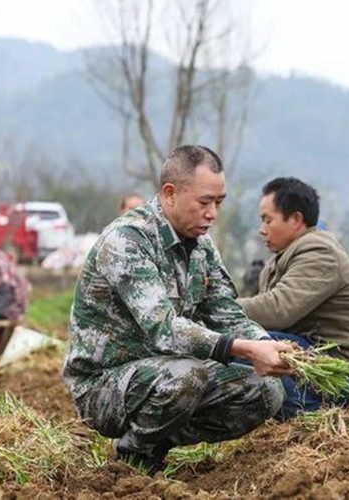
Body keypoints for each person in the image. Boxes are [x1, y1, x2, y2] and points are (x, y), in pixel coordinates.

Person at [63, 145, 293, 474]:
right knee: (186, 374)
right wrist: (243, 348)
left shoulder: (202, 246)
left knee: (266, 391)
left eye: (219, 202)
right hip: (104, 385)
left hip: (168, 375)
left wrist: (267, 344)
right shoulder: (127, 240)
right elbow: (165, 329)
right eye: (204, 202)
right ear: (170, 194)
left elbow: (226, 312)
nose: (213, 213)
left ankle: (155, 442)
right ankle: (134, 456)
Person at [239, 177, 349, 420]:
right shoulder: (281, 259)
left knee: (243, 348)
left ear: (296, 219)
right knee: (244, 345)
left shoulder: (318, 251)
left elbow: (278, 309)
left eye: (268, 220)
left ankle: (311, 411)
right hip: (315, 358)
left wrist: (217, 310)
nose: (261, 229)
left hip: (347, 380)